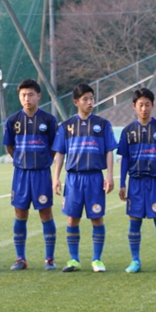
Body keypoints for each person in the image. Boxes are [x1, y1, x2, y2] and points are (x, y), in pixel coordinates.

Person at [52, 83, 117, 273]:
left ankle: (97, 260)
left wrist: (109, 176)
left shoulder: (103, 124)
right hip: (73, 179)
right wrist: (56, 178)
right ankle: (74, 259)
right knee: (72, 219)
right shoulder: (66, 126)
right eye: (85, 99)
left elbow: (109, 151)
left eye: (92, 98)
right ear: (76, 102)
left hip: (95, 178)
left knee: (97, 218)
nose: (90, 102)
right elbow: (60, 153)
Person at [117, 88, 156, 273]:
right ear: (134, 106)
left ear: (153, 105)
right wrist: (122, 183)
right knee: (135, 222)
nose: (144, 109)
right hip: (136, 182)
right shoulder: (127, 131)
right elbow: (125, 159)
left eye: (147, 105)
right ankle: (135, 261)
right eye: (140, 105)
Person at [3, 79, 59, 271]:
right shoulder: (13, 120)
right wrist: (21, 160)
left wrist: (44, 160)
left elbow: (54, 146)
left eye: (30, 95)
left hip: (41, 174)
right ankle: (21, 259)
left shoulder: (49, 120)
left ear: (38, 96)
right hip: (21, 174)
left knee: (46, 213)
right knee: (20, 213)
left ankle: (49, 259)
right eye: (23, 95)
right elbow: (10, 146)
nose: (26, 99)